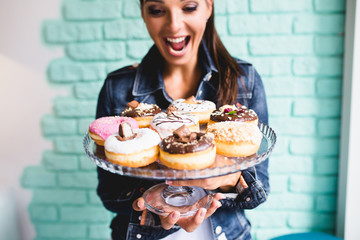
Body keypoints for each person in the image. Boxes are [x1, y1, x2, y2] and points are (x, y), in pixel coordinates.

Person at [95, 0, 270, 239]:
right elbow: (109, 192)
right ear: (144, 14)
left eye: (189, 7)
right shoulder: (118, 87)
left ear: (209, 7)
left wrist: (230, 179)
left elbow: (260, 191)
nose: (174, 25)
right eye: (157, 10)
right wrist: (156, 208)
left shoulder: (244, 80)